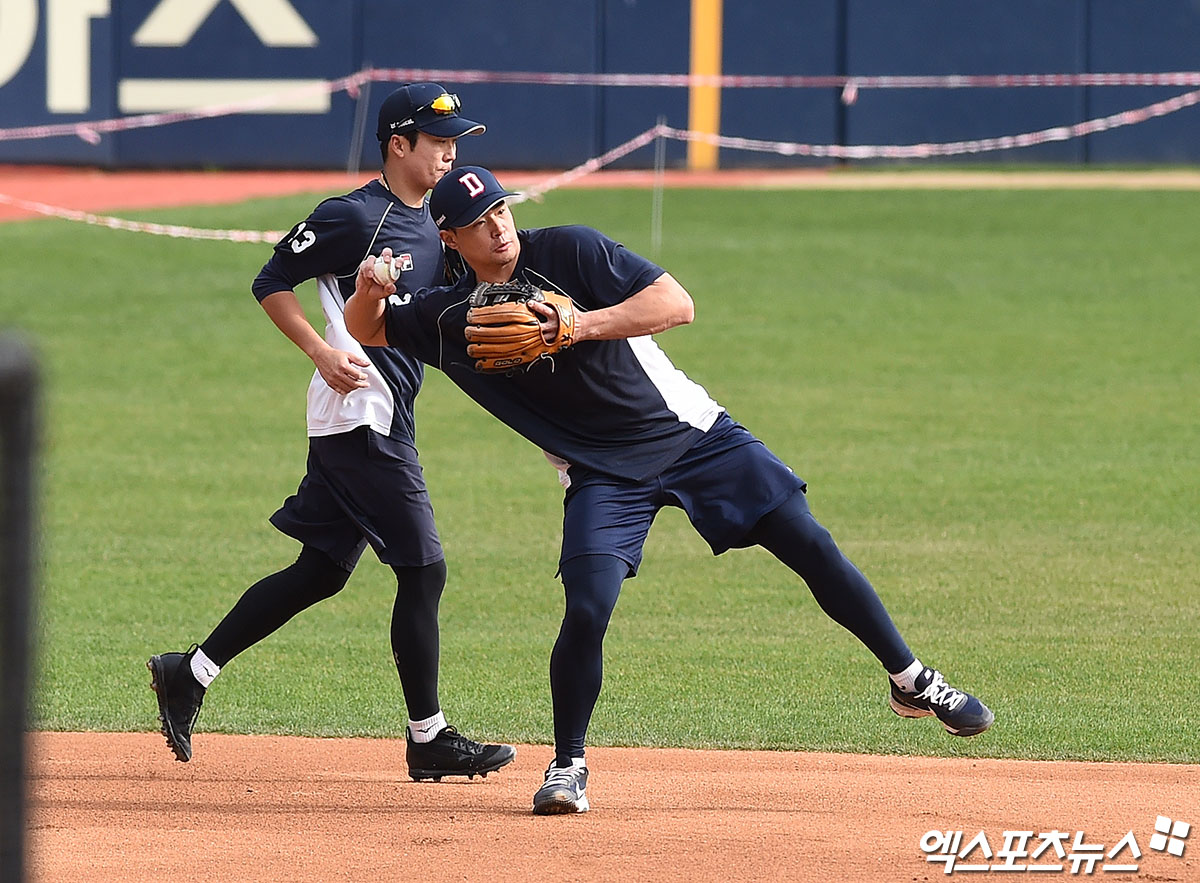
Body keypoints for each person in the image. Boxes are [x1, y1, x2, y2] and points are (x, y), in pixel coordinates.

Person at [344, 166, 995, 815]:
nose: (498, 228)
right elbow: (365, 328)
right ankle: (568, 765)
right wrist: (371, 287)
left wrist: (578, 325)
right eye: (478, 224)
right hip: (601, 471)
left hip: (690, 433)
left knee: (808, 539)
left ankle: (911, 680)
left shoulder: (570, 250)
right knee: (588, 604)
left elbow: (677, 305)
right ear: (449, 238)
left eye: (502, 211)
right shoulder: (446, 315)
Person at [147, 87, 515, 782]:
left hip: (383, 415)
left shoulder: (435, 222)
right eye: (438, 140)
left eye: (456, 139)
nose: (451, 150)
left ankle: (187, 671)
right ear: (398, 144)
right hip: (359, 415)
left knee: (320, 570)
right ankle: (428, 736)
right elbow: (272, 277)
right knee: (424, 568)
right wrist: (320, 349)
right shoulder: (354, 217)